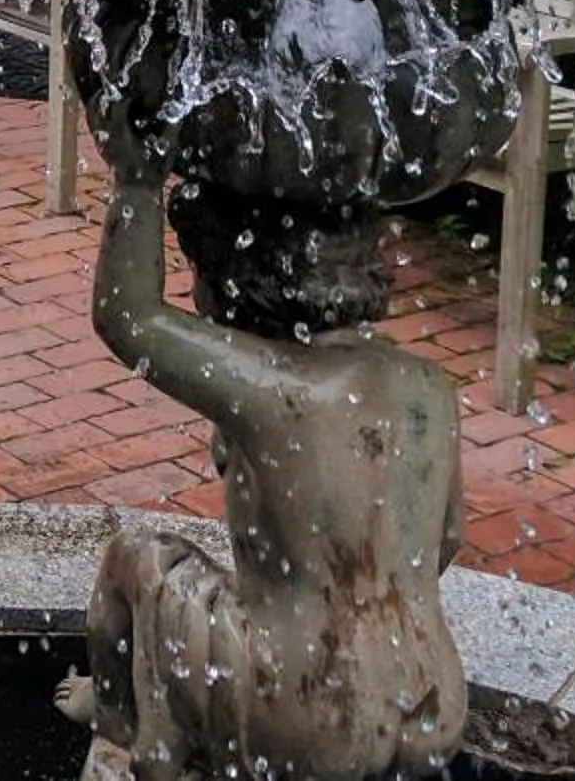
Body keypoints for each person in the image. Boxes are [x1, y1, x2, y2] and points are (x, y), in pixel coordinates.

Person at [56, 106, 467, 780]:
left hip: (306, 712)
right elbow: (447, 539)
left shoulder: (272, 386)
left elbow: (127, 316)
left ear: (241, 286)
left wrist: (135, 178)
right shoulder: (428, 389)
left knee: (140, 559)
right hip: (430, 698)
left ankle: (118, 724)